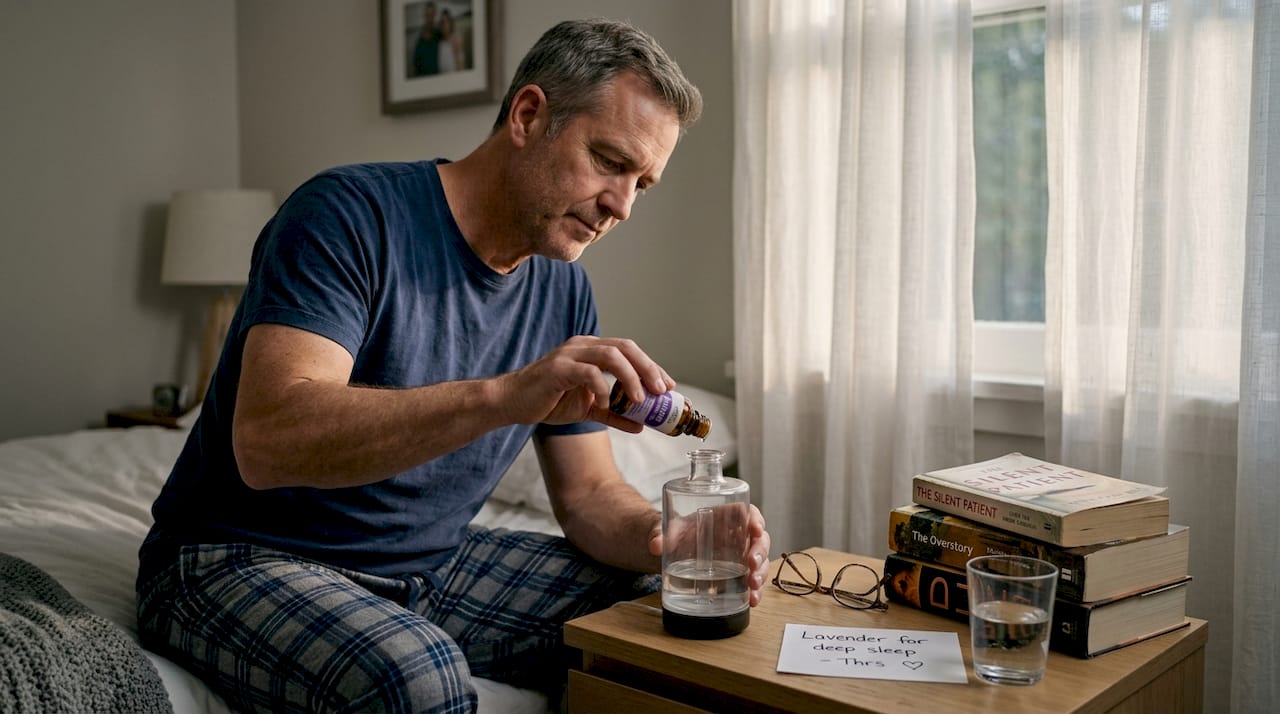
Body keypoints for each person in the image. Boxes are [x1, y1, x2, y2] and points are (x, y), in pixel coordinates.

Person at [136, 17, 771, 714]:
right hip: (237, 557)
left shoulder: (563, 289)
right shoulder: (346, 216)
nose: (620, 205)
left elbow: (589, 498)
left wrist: (665, 539)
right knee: (417, 677)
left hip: (430, 565)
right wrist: (506, 396)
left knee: (671, 610)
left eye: (642, 184)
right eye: (610, 162)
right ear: (529, 115)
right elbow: (268, 442)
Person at [412, 1, 441, 77]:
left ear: (434, 15)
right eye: (428, 15)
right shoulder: (418, 40)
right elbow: (415, 66)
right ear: (424, 16)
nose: (430, 18)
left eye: (432, 15)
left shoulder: (439, 35)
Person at [436, 8, 465, 73]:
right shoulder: (439, 43)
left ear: (451, 23)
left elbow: (461, 68)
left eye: (447, 22)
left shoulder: (456, 40)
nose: (444, 25)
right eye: (442, 22)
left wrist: (457, 52)